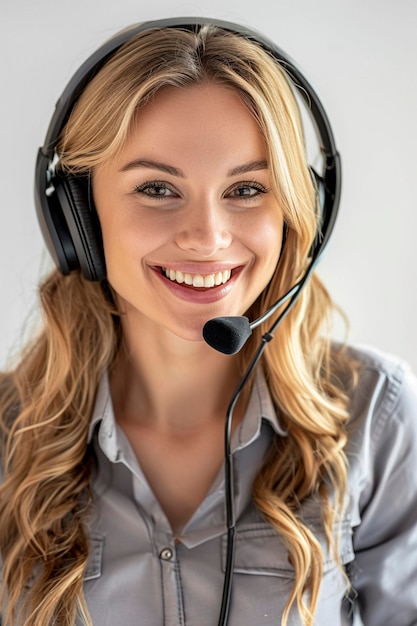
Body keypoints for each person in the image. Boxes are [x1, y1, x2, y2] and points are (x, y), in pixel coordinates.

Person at [0, 17, 416, 626]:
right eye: (158, 189)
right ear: (79, 219)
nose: (207, 238)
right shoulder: (9, 438)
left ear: (298, 213)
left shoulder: (377, 420)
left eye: (247, 189)